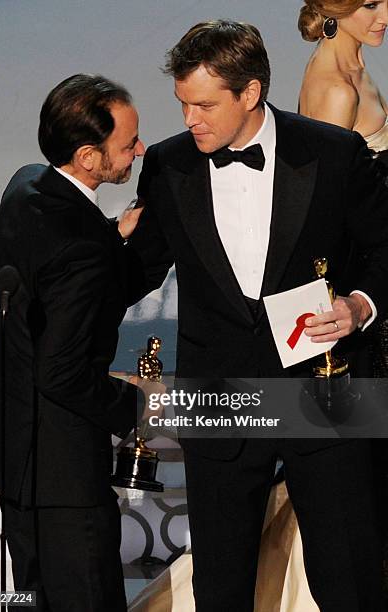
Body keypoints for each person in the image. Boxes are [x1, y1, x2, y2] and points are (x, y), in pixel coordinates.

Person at [129, 20, 388, 611]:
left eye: (203, 105)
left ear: (250, 93)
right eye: (183, 105)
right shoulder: (170, 165)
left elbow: (385, 249)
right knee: (221, 584)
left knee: (350, 578)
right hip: (217, 390)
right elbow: (136, 269)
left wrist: (359, 305)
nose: (190, 119)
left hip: (330, 382)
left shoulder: (334, 152)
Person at [0, 74, 146, 611]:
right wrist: (134, 403)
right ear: (89, 156)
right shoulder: (84, 250)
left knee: (27, 600)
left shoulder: (25, 186)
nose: (140, 149)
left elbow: (48, 265)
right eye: (128, 144)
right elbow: (63, 373)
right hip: (66, 477)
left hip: (12, 449)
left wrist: (109, 234)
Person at [298, 0, 388, 378]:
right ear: (334, 8)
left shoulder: (355, 65)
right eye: (369, 6)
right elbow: (324, 211)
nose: (384, 17)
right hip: (366, 280)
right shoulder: (337, 90)